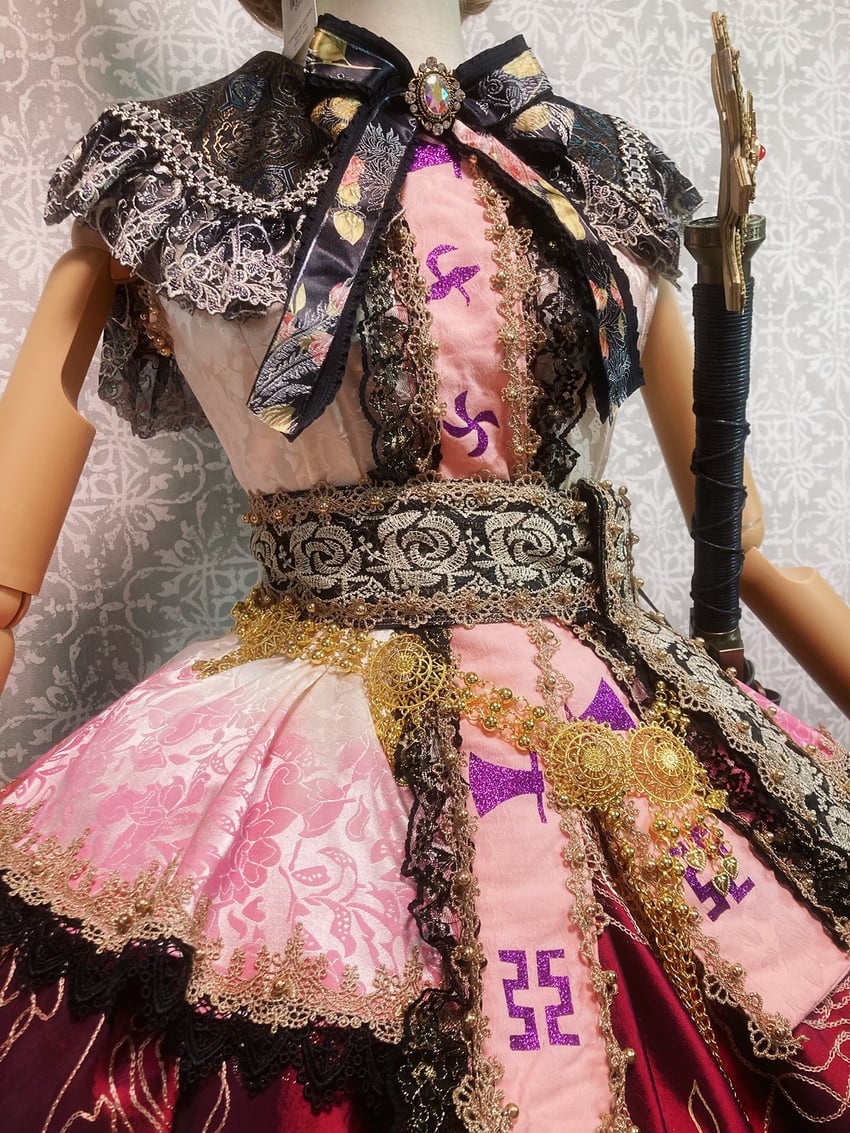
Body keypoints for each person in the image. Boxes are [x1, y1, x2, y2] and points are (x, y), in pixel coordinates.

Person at [0, 1, 848, 1129]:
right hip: (319, 723)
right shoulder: (182, 170)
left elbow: (735, 528)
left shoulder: (590, 166)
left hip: (603, 702)